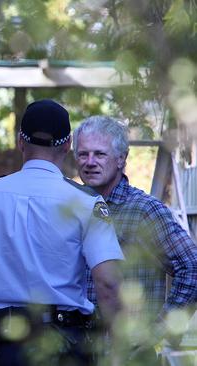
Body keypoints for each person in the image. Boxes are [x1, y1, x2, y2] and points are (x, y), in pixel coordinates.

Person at [0, 100, 124, 366]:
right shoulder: (85, 202)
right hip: (62, 344)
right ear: (67, 146)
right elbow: (108, 283)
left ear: (21, 141)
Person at [73, 116, 197, 326]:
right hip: (78, 350)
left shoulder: (145, 210)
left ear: (121, 159)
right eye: (83, 154)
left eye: (100, 154)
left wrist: (160, 330)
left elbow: (192, 268)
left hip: (131, 352)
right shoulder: (73, 209)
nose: (90, 162)